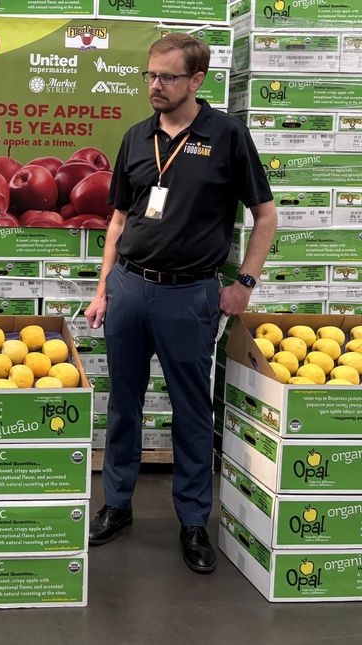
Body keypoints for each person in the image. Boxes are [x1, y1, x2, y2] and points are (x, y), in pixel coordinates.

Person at [83, 33, 277, 573]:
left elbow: (265, 215)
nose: (155, 86)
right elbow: (118, 219)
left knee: (192, 411)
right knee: (124, 403)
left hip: (190, 294)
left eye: (168, 77)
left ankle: (194, 520)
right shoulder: (135, 136)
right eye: (150, 75)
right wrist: (102, 289)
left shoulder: (228, 135)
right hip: (129, 288)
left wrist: (245, 283)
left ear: (197, 80)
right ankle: (117, 505)